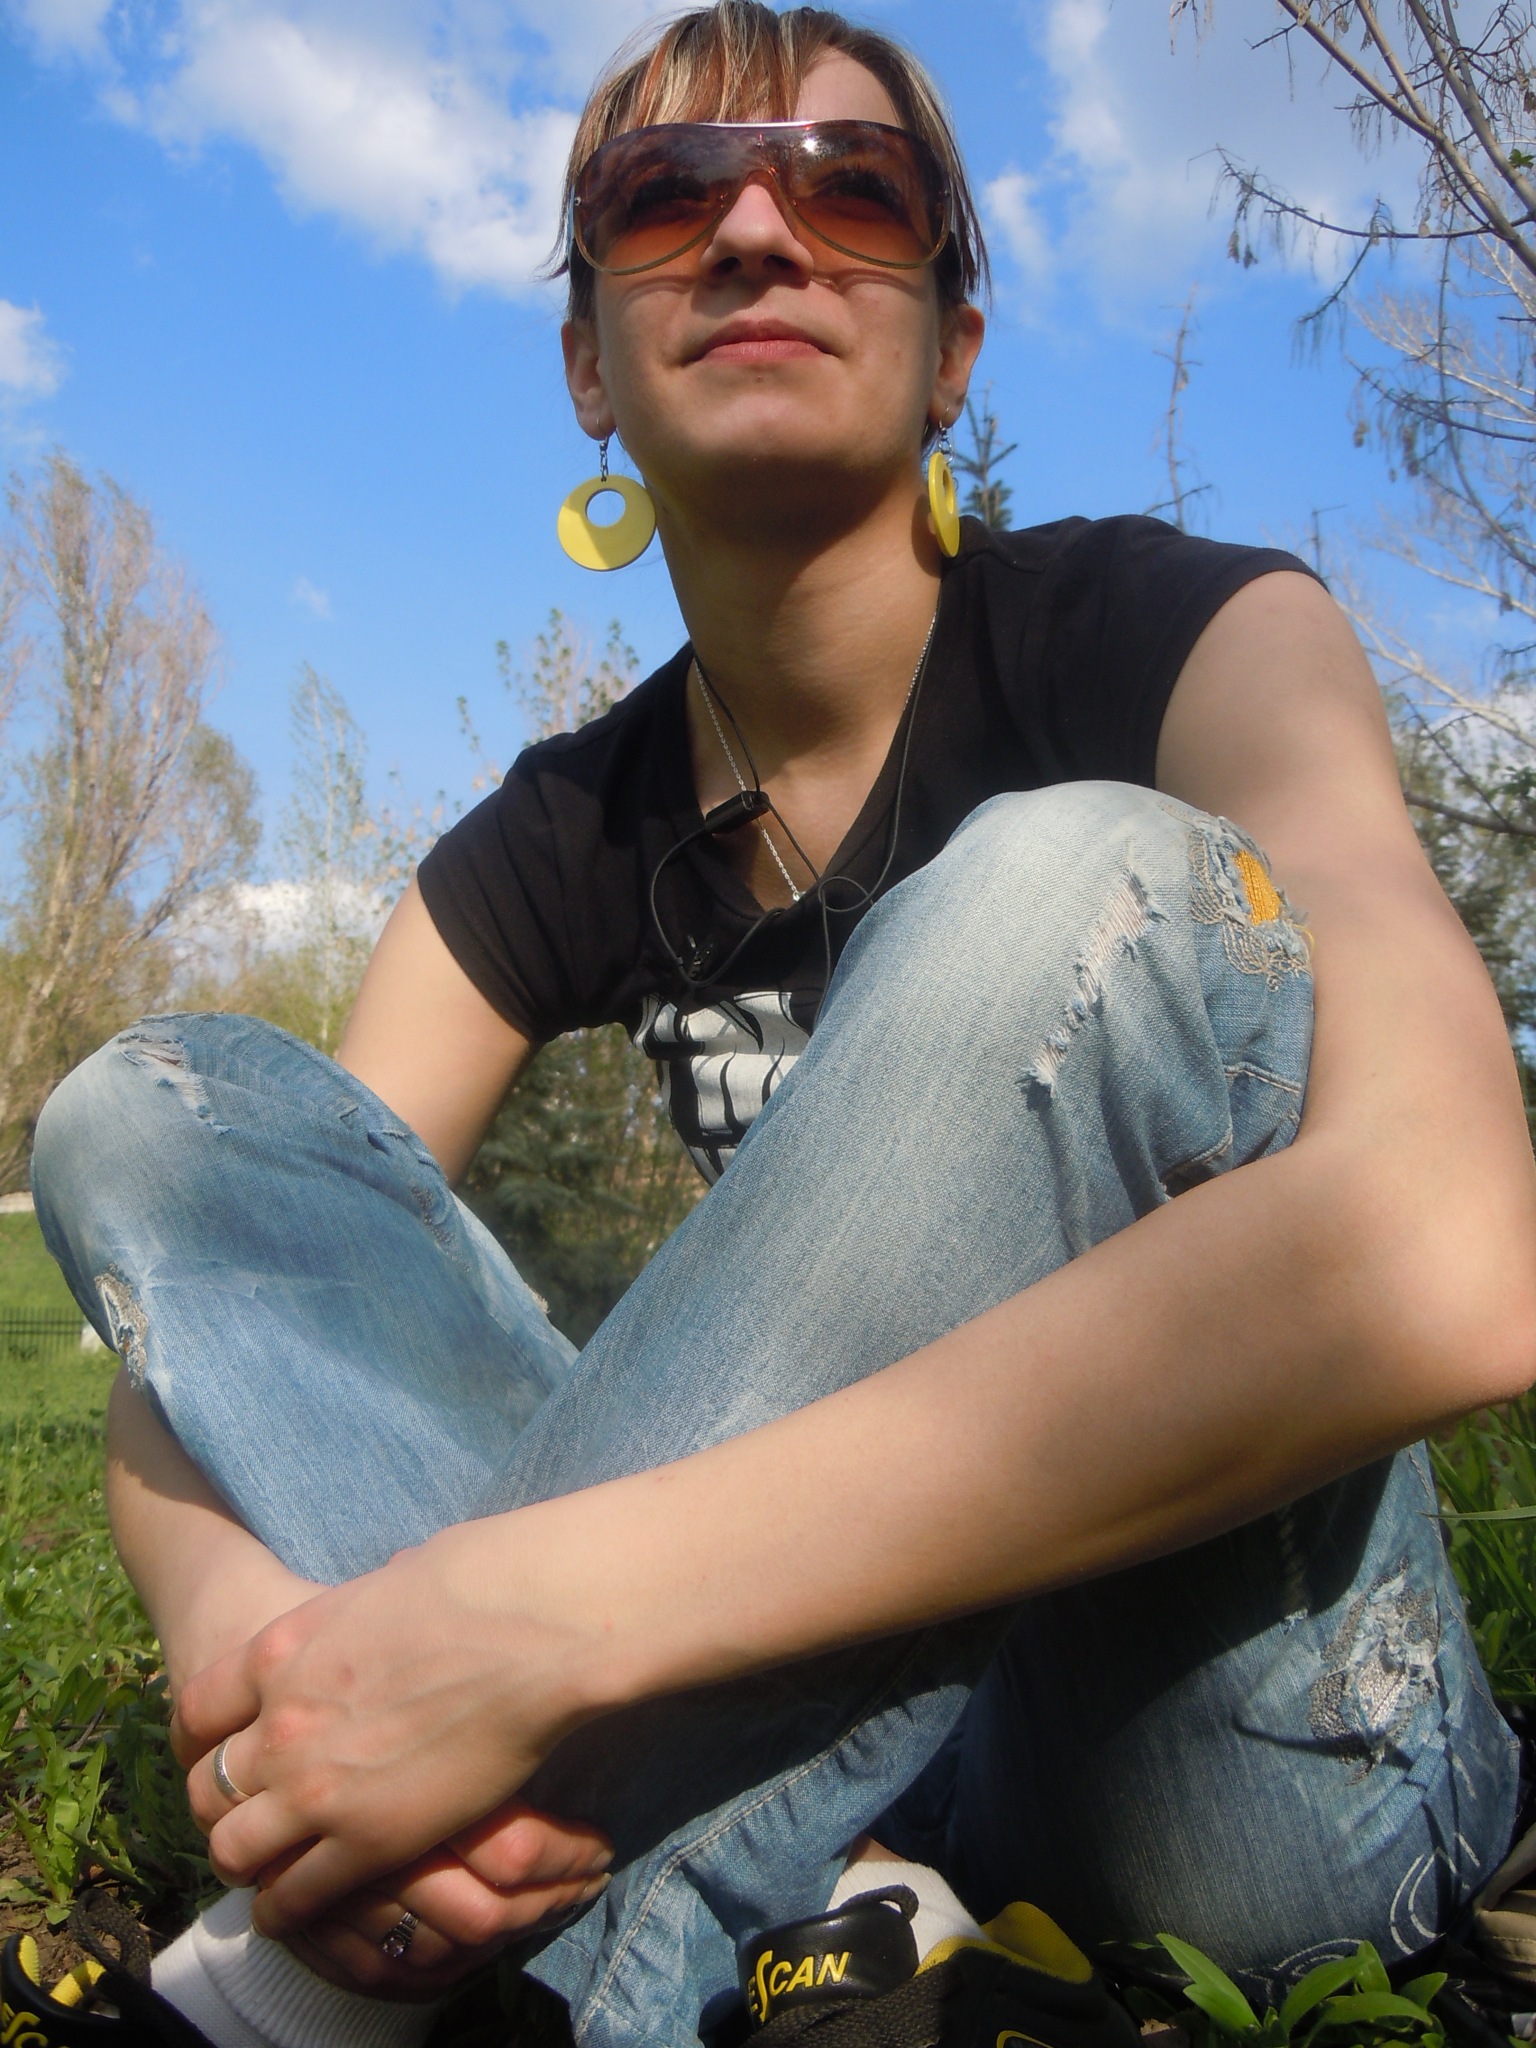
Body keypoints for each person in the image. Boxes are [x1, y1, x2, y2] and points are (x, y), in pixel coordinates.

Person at [18, 5, 1536, 2046]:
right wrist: (276, 1657)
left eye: (854, 186)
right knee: (150, 1110)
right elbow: (227, 1312)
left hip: (1231, 1762)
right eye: (663, 197)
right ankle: (821, 1900)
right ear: (587, 360)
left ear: (955, 341)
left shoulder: (1188, 636)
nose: (754, 231)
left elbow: (1456, 1258)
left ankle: (348, 1978)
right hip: (820, 1717)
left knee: (1064, 878)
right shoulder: (563, 831)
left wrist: (530, 1621)